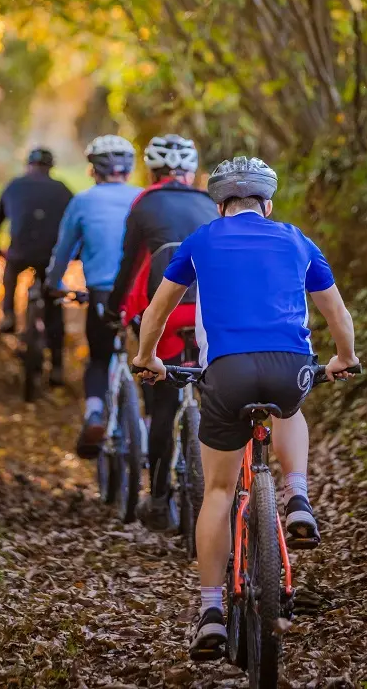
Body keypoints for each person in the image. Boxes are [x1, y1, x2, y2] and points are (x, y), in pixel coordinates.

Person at [132, 156, 359, 659]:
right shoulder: (298, 239)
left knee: (216, 490)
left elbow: (158, 309)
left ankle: (211, 611)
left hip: (228, 373)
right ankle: (297, 495)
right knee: (290, 407)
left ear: (219, 205)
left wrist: (147, 358)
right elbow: (336, 311)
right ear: (268, 203)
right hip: (289, 367)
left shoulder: (202, 239)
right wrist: (344, 358)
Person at [108, 134, 218, 530]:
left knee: (162, 408)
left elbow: (130, 263)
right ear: (191, 172)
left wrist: (113, 308)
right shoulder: (210, 203)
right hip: (212, 312)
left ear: (152, 172)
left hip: (166, 310)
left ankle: (157, 499)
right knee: (215, 398)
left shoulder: (144, 202)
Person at [45, 135, 140, 455]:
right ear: (128, 168)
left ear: (93, 169)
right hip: (144, 296)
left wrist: (53, 283)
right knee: (155, 361)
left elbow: (63, 251)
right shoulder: (143, 198)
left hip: (101, 294)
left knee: (100, 358)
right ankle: (155, 423)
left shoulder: (83, 202)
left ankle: (95, 413)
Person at [0, 148, 73, 386]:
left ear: (28, 165)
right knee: (54, 303)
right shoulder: (63, 190)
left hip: (20, 253)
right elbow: (74, 224)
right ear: (50, 167)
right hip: (50, 256)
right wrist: (73, 255)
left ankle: (8, 315)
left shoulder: (15, 185)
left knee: (11, 269)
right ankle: (57, 367)